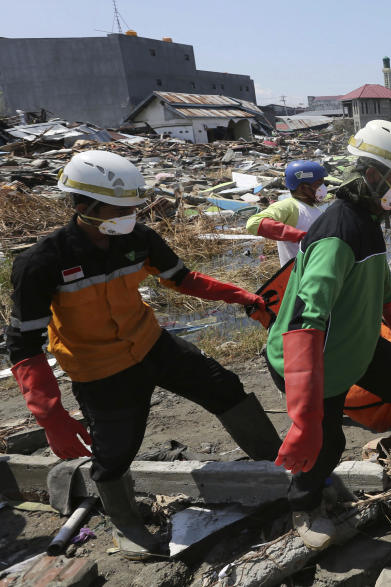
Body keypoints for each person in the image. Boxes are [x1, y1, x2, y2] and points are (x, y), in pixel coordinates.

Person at [6, 150, 281, 560]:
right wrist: (52, 416)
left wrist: (239, 294)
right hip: (100, 370)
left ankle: (277, 466)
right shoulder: (42, 262)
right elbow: (24, 345)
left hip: (153, 343)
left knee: (225, 387)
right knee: (114, 453)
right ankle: (127, 524)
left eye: (133, 206)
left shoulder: (139, 239)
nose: (130, 214)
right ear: (82, 207)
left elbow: (182, 278)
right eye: (119, 208)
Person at [265, 120, 391, 551]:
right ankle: (304, 506)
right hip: (310, 359)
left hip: (352, 345)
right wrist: (304, 412)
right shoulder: (338, 233)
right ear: (372, 175)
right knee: (325, 440)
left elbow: (383, 287)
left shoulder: (367, 220)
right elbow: (307, 317)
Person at [245, 160, 329, 265]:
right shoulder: (290, 206)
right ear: (303, 187)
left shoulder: (316, 208)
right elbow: (254, 223)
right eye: (318, 184)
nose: (323, 187)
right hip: (296, 275)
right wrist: (300, 236)